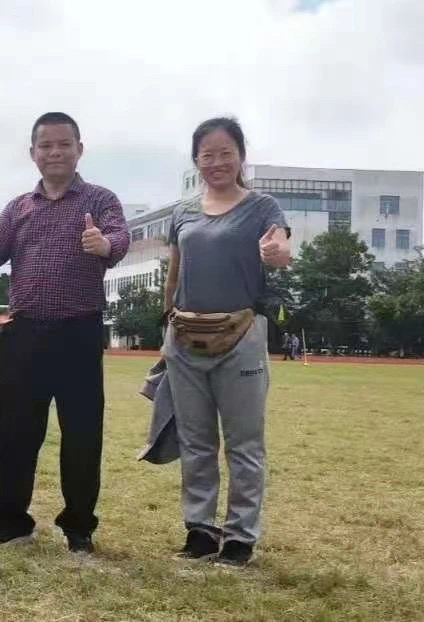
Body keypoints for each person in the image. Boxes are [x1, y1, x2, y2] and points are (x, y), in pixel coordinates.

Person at [0, 112, 130, 555]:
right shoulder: (19, 208)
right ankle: (13, 519)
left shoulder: (100, 199)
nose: (55, 152)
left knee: (82, 433)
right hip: (24, 334)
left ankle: (79, 526)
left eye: (64, 144)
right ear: (32, 152)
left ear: (79, 149)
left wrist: (105, 245)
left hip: (78, 332)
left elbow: (119, 236)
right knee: (14, 433)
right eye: (45, 145)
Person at [162, 117, 290, 567]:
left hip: (241, 336)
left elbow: (282, 249)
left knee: (244, 443)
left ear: (241, 157)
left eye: (225, 153)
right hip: (184, 337)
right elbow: (173, 273)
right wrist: (166, 324)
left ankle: (240, 537)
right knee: (196, 442)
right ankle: (200, 530)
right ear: (195, 160)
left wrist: (276, 252)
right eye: (207, 155)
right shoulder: (182, 212)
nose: (216, 162)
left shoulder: (262, 207)